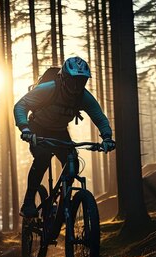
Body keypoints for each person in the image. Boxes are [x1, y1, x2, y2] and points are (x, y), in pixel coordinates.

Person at [13, 56, 116, 218]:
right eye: (73, 81)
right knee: (42, 158)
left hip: (59, 130)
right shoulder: (49, 89)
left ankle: (63, 202)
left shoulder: (83, 96)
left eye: (81, 82)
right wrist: (24, 128)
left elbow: (99, 117)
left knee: (72, 162)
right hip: (37, 128)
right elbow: (21, 105)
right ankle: (28, 202)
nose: (76, 86)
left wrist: (107, 137)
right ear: (63, 78)